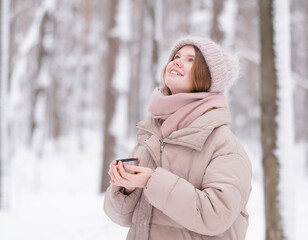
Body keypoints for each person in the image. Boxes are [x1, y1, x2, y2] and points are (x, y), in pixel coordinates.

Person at [104, 36, 252, 240]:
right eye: (176, 56)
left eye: (191, 59)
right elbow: (120, 217)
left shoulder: (223, 145)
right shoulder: (153, 134)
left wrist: (151, 181)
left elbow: (216, 214)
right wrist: (126, 186)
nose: (176, 61)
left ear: (208, 77)